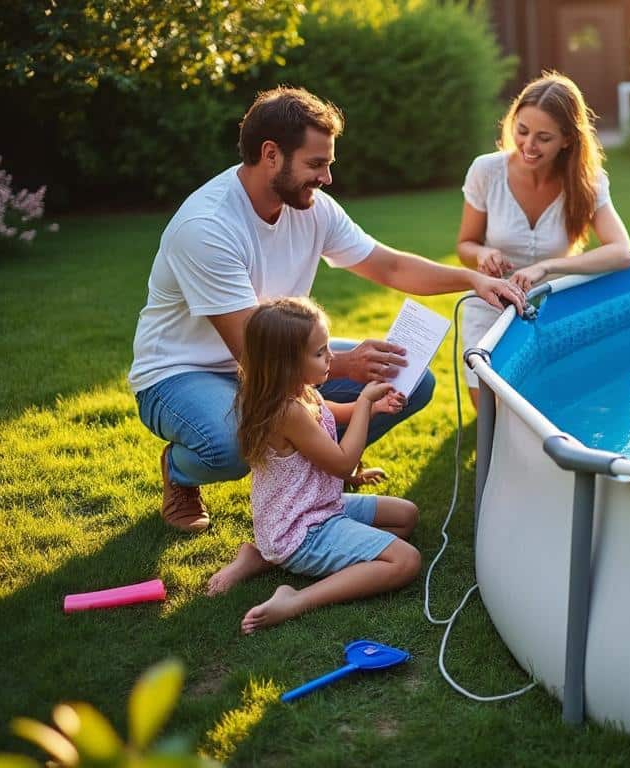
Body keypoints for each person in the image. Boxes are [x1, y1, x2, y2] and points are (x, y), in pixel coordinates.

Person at [130, 86, 524, 532]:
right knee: (230, 443)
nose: (328, 178)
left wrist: (473, 279)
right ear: (271, 154)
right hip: (183, 372)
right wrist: (343, 364)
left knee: (408, 380)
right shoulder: (207, 227)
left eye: (329, 164)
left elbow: (389, 265)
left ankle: (324, 468)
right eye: (316, 165)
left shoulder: (312, 208)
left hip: (275, 353)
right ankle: (181, 471)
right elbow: (253, 353)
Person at [205, 297, 422, 634]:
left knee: (405, 516)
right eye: (320, 352)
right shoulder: (285, 411)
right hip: (303, 530)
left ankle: (262, 555)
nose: (331, 357)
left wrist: (374, 408)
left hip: (319, 507)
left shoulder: (300, 392)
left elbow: (329, 411)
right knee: (406, 561)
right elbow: (344, 465)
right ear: (286, 362)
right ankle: (296, 599)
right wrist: (364, 401)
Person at [456, 72, 630, 407]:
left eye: (544, 137)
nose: (528, 146)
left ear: (567, 139)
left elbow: (622, 252)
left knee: (550, 409)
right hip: (491, 302)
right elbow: (465, 245)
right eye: (521, 131)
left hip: (552, 305)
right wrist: (483, 254)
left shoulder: (586, 181)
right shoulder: (486, 171)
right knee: (491, 415)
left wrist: (547, 267)